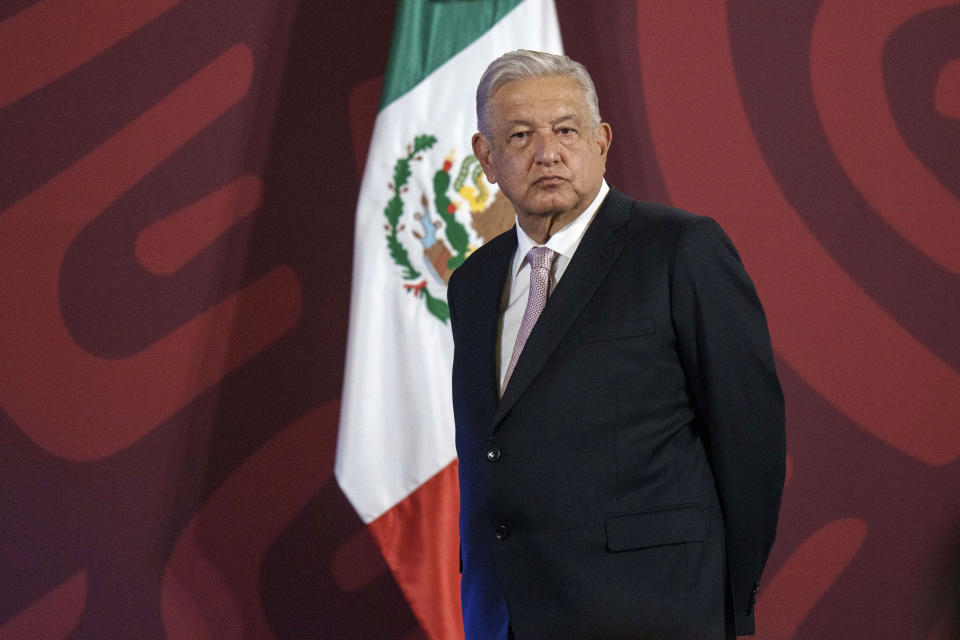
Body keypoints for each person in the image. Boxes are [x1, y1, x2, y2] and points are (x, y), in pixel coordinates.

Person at [446, 50, 785, 640]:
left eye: (566, 130)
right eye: (521, 135)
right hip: (506, 618)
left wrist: (729, 608)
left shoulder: (682, 250)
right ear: (486, 159)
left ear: (601, 140)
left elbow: (750, 442)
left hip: (653, 613)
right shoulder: (472, 284)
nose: (547, 153)